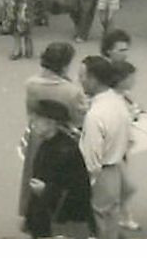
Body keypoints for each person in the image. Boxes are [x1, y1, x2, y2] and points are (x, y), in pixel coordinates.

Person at [19, 42, 88, 225]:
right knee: (59, 179)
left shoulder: (31, 84)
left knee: (35, 174)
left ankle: (29, 213)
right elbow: (78, 118)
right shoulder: (72, 91)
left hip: (36, 133)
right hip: (62, 136)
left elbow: (30, 111)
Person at [79, 56, 135, 238]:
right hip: (116, 169)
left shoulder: (95, 115)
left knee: (99, 224)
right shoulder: (119, 103)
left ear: (94, 79)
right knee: (112, 221)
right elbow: (129, 139)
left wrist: (88, 182)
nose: (81, 81)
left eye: (83, 76)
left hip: (101, 174)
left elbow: (92, 158)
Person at [24, 98, 95, 238]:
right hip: (46, 219)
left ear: (51, 123)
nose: (32, 123)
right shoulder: (47, 144)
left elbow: (78, 191)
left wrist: (46, 191)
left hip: (59, 224)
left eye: (37, 119)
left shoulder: (66, 151)